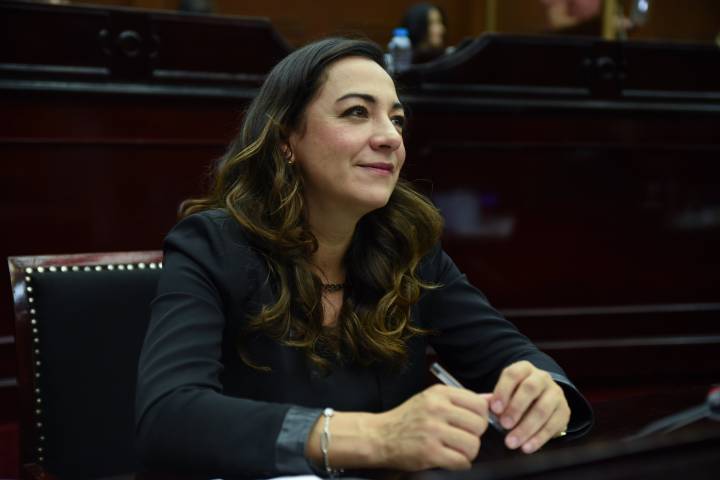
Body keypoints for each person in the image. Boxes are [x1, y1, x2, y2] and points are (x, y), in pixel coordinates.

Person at [135, 37, 593, 478]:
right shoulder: (213, 245)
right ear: (285, 140)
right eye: (357, 112)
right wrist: (377, 437)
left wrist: (542, 392)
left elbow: (511, 356)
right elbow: (169, 416)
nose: (390, 137)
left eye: (397, 119)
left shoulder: (408, 247)